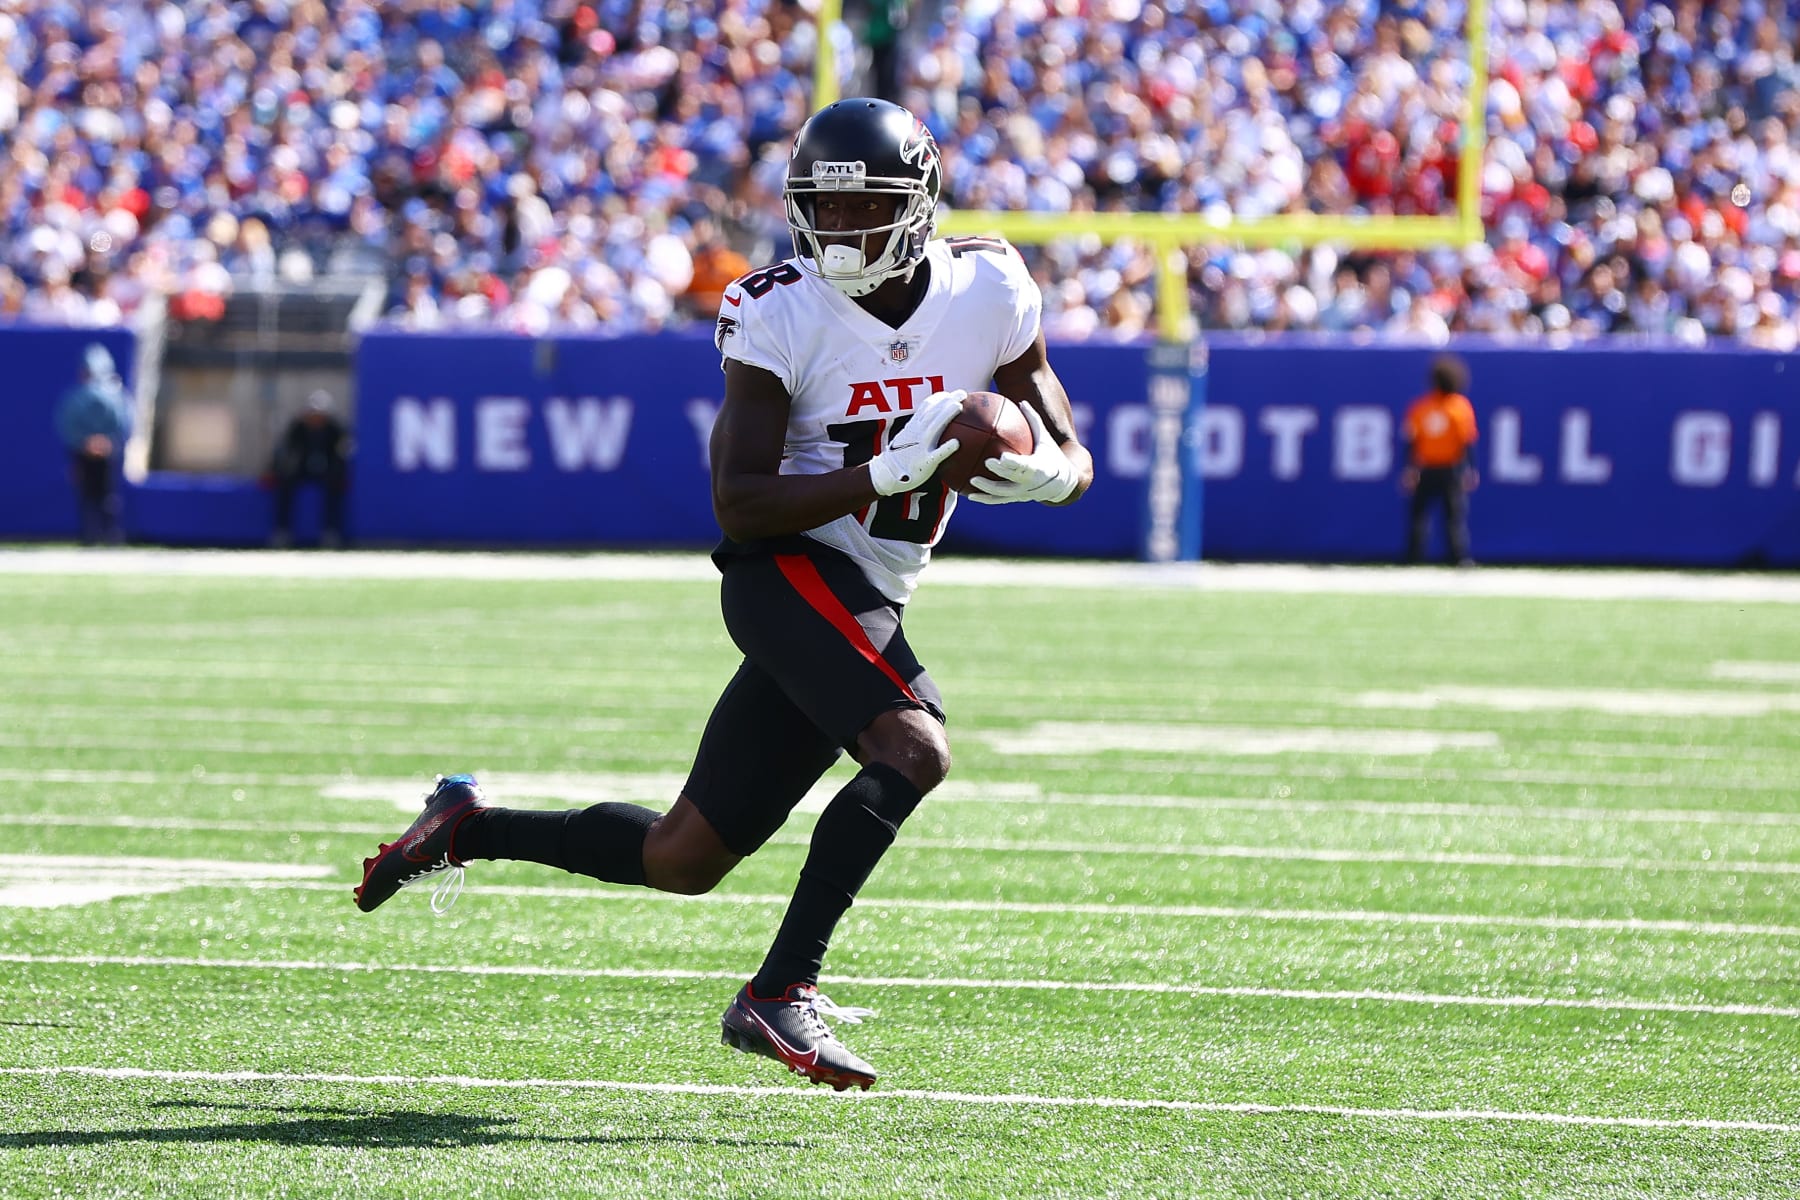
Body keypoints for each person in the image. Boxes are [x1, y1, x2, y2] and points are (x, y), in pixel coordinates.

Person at [352, 98, 1094, 1091]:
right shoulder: (777, 307)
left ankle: (466, 828)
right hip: (784, 567)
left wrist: (1066, 463)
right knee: (913, 745)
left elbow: (1036, 384)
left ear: (918, 209)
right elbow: (741, 504)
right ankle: (782, 990)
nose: (837, 233)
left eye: (863, 210)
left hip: (869, 586)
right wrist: (887, 473)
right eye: (820, 213)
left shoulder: (990, 283)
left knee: (683, 856)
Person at [1401, 353, 1479, 566]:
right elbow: (1467, 442)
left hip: (1435, 467)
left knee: (1432, 515)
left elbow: (1411, 442)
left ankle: (1419, 557)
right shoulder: (1458, 407)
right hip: (1445, 468)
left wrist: (1410, 468)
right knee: (1447, 515)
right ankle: (1455, 558)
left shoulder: (1424, 407)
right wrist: (1471, 468)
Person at [54, 343, 133, 546]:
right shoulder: (79, 398)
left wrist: (107, 442)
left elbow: (124, 422)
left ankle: (109, 536)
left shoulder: (116, 396)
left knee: (107, 495)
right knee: (90, 494)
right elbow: (68, 423)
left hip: (105, 452)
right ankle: (93, 536)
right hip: (85, 452)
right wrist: (86, 442)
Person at [267, 391, 352, 549]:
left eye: (320, 415)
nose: (316, 418)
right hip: (303, 468)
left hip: (326, 470)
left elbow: (342, 453)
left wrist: (339, 470)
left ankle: (330, 532)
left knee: (334, 488)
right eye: (313, 414)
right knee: (286, 486)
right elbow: (285, 450)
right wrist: (277, 469)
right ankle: (282, 531)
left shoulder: (334, 429)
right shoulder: (298, 427)